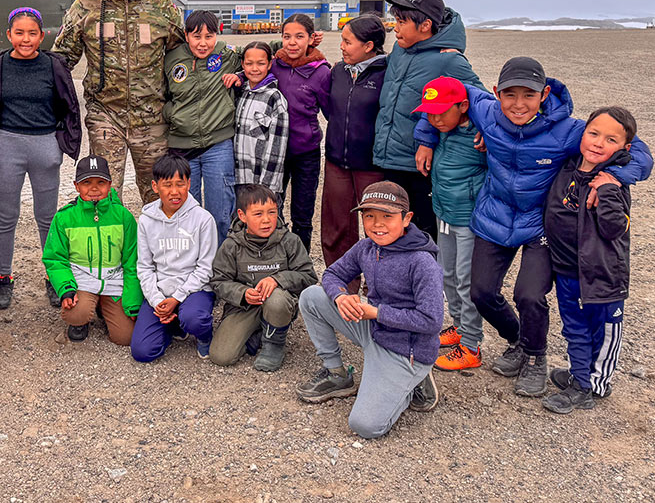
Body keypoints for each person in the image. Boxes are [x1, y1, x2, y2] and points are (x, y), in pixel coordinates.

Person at [414, 56, 652, 397]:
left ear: (544, 94)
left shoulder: (569, 130)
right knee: (480, 292)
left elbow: (636, 148)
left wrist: (615, 175)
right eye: (510, 95)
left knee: (528, 293)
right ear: (496, 93)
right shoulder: (485, 112)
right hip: (493, 217)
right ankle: (518, 342)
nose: (518, 104)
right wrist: (426, 136)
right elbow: (449, 92)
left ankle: (536, 358)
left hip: (539, 225)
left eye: (529, 95)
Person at [295, 181, 443, 439]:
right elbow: (332, 274)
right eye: (369, 215)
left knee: (365, 426)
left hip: (404, 350)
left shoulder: (421, 261)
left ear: (406, 218)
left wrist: (376, 312)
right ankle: (336, 373)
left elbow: (431, 321)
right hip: (372, 328)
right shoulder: (366, 247)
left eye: (387, 216)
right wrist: (341, 297)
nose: (377, 224)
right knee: (311, 297)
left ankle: (415, 380)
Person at [52, 0, 185, 205]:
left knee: (160, 198)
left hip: (153, 119)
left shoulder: (164, 8)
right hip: (106, 116)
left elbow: (182, 61)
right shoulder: (86, 7)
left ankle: (159, 248)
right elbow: (60, 61)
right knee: (105, 197)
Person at [0, 7, 82, 310]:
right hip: (9, 147)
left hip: (44, 146)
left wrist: (60, 143)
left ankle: (55, 277)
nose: (26, 39)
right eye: (19, 33)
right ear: (8, 34)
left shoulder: (54, 65)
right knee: (7, 217)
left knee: (47, 219)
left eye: (32, 33)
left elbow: (69, 106)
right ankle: (4, 276)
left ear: (42, 35)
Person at [542, 107, 637, 413]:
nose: (598, 142)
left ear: (625, 148)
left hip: (601, 276)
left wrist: (608, 189)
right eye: (593, 133)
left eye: (610, 139)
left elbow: (613, 228)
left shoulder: (613, 182)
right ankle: (579, 375)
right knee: (574, 328)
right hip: (568, 271)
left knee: (604, 331)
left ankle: (593, 384)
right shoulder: (569, 167)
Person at [373, 0, 484, 239]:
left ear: (425, 25)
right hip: (387, 158)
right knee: (389, 228)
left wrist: (486, 132)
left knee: (422, 231)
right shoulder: (400, 50)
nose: (395, 28)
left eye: (402, 22)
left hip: (419, 165)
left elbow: (480, 99)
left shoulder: (449, 60)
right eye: (395, 21)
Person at [411, 77, 487, 371]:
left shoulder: (481, 136)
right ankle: (458, 326)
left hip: (468, 219)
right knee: (447, 275)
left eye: (443, 111)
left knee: (466, 280)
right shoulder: (441, 129)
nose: (436, 118)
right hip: (443, 212)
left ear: (464, 106)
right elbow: (429, 122)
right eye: (431, 112)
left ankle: (471, 345)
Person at [208, 184, 315, 372]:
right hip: (245, 307)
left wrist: (278, 280)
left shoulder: (290, 241)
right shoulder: (232, 245)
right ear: (242, 216)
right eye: (258, 214)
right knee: (221, 356)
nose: (266, 220)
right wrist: (242, 293)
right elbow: (218, 281)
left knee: (276, 299)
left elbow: (308, 277)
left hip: (279, 304)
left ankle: (274, 345)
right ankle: (258, 334)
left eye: (272, 213)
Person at [43, 156, 141, 345]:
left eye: (101, 182)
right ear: (76, 185)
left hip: (114, 282)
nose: (94, 188)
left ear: (110, 184)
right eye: (86, 182)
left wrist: (133, 300)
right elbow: (55, 259)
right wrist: (66, 289)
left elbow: (132, 261)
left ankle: (104, 307)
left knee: (125, 338)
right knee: (76, 313)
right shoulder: (64, 218)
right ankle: (82, 319)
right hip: (82, 282)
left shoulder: (123, 217)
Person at [130, 155, 218, 362]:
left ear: (189, 182)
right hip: (161, 291)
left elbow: (205, 269)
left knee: (194, 319)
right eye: (167, 185)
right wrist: (158, 300)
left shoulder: (203, 219)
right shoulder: (146, 220)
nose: (175, 191)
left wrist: (177, 298)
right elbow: (144, 267)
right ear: (155, 186)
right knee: (142, 352)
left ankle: (203, 337)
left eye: (180, 184)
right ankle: (173, 324)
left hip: (195, 290)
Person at [163, 9, 240, 243]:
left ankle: (220, 268)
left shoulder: (226, 55)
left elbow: (261, 55)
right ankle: (192, 266)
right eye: (197, 36)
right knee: (188, 213)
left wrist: (241, 76)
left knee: (220, 212)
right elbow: (159, 94)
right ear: (186, 36)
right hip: (182, 147)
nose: (203, 43)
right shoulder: (171, 58)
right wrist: (173, 115)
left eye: (209, 36)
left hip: (218, 146)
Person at [319, 14, 389, 268]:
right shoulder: (338, 70)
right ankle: (339, 283)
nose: (342, 46)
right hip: (337, 160)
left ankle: (377, 285)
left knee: (378, 226)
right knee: (336, 225)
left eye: (348, 42)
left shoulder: (388, 74)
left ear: (368, 46)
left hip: (372, 166)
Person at [268, 13, 331, 253]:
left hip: (306, 152)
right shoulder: (275, 65)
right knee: (273, 207)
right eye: (287, 37)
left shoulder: (321, 72)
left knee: (303, 213)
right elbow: (252, 74)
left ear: (311, 39)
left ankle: (301, 261)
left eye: (299, 37)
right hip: (276, 151)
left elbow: (331, 113)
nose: (292, 43)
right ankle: (275, 256)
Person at [233, 41, 289, 195]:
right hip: (238, 178)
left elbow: (277, 147)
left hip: (260, 181)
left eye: (261, 63)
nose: (255, 69)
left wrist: (266, 186)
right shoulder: (240, 92)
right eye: (249, 63)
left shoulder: (274, 98)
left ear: (269, 64)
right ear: (243, 65)